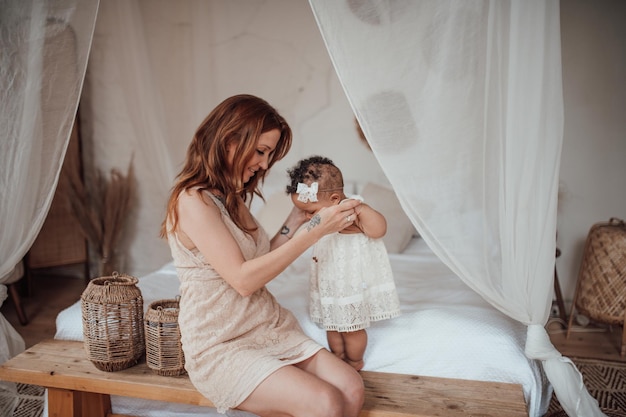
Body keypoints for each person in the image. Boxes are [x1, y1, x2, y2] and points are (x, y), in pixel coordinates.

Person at [160, 95, 364, 417]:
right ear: (228, 139)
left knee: (351, 388)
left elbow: (260, 258)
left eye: (269, 154)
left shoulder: (231, 195)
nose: (265, 165)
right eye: (261, 151)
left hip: (266, 326)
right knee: (325, 402)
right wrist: (315, 231)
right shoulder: (192, 201)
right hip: (221, 342)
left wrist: (297, 219)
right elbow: (243, 279)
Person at [286, 156, 401, 371]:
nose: (307, 216)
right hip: (329, 279)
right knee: (332, 325)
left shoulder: (353, 211)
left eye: (310, 211)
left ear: (335, 198)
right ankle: (337, 356)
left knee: (351, 327)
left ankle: (355, 361)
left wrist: (362, 210)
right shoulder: (320, 216)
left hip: (351, 280)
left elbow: (379, 230)